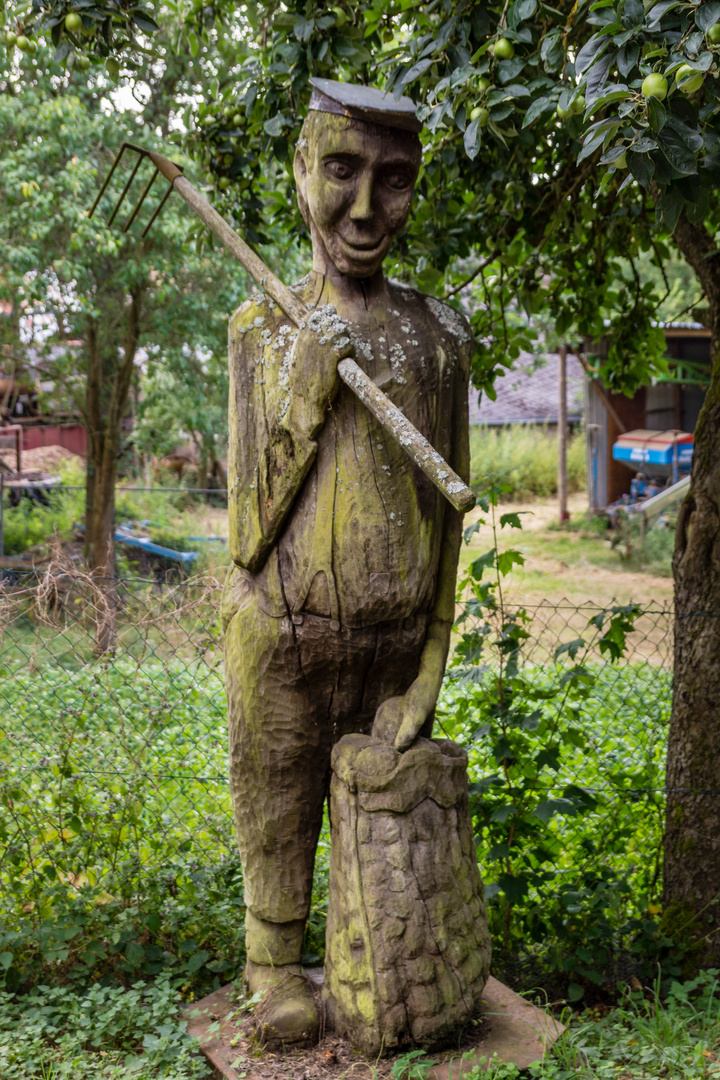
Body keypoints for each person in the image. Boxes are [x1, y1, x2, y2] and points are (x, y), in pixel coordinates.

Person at [221, 78, 473, 1044]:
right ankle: (272, 963)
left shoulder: (437, 337)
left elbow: (452, 517)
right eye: (341, 170)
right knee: (279, 810)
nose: (366, 208)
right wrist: (303, 398)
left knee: (386, 841)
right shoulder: (263, 330)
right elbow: (246, 536)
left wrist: (430, 669)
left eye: (395, 179)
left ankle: (382, 967)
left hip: (394, 644)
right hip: (282, 638)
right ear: (299, 171)